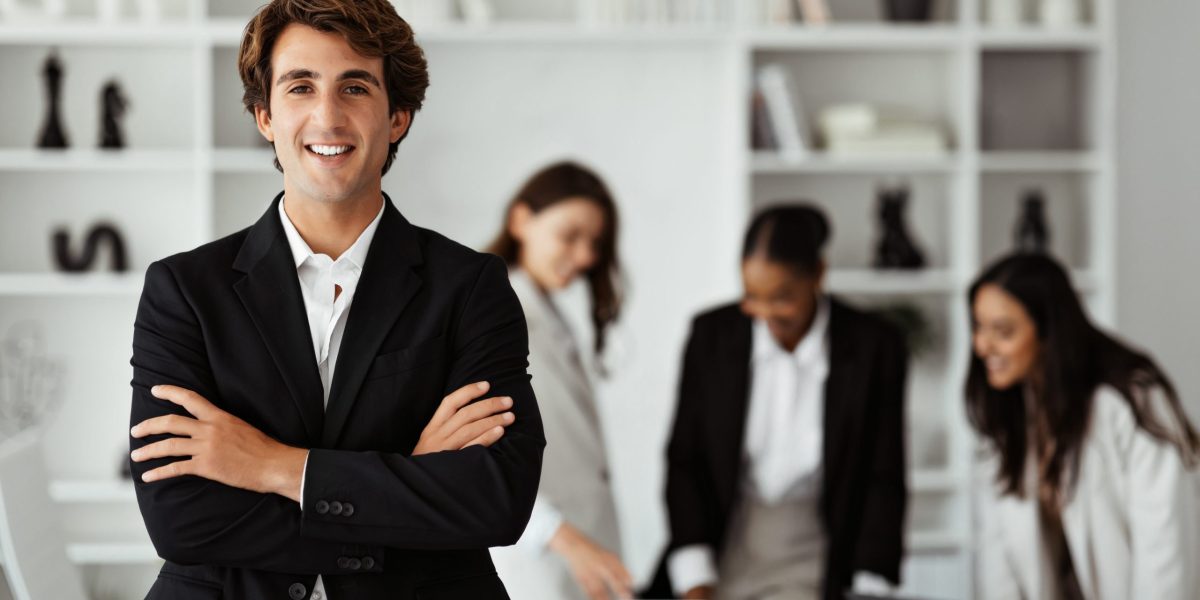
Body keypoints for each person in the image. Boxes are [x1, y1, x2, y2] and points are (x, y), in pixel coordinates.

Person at [127, 1, 544, 598]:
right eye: (300, 87)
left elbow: (495, 500)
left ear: (397, 116)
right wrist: (410, 482)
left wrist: (272, 466)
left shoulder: (471, 287)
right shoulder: (183, 291)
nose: (328, 116)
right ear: (264, 114)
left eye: (354, 87)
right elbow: (180, 517)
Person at [645, 204, 909, 600]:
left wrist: (869, 584)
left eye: (782, 298)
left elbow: (882, 475)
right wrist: (694, 575)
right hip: (725, 544)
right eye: (752, 296)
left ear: (818, 275)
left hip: (817, 550)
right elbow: (686, 459)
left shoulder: (875, 347)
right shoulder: (711, 336)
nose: (765, 314)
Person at [968, 252, 1200, 599]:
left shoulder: (1131, 399)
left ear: (1048, 330)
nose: (983, 346)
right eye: (977, 327)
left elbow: (1162, 549)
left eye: (1003, 331)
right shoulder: (1007, 408)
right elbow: (997, 549)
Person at [485, 161, 632, 599]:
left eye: (595, 243)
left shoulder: (547, 313)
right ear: (520, 221)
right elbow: (481, 457)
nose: (587, 256)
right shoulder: (495, 314)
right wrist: (568, 541)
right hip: (538, 561)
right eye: (571, 236)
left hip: (580, 556)